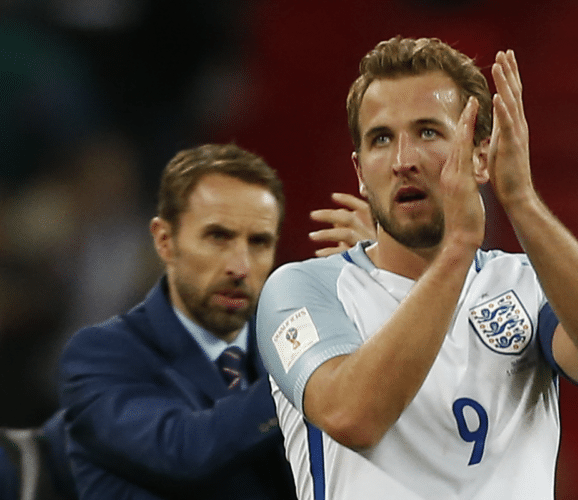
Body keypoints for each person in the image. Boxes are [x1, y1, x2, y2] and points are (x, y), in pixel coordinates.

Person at [256, 36, 578, 500]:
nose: (404, 161)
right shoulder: (302, 290)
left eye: (428, 132)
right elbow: (352, 417)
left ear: (481, 155)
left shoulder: (522, 284)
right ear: (360, 172)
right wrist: (459, 247)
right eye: (382, 139)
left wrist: (520, 200)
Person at [57, 143, 374, 499]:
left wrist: (376, 288)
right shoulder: (100, 355)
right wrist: (312, 367)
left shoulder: (275, 345)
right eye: (218, 237)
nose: (239, 266)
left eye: (258, 242)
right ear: (165, 241)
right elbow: (184, 450)